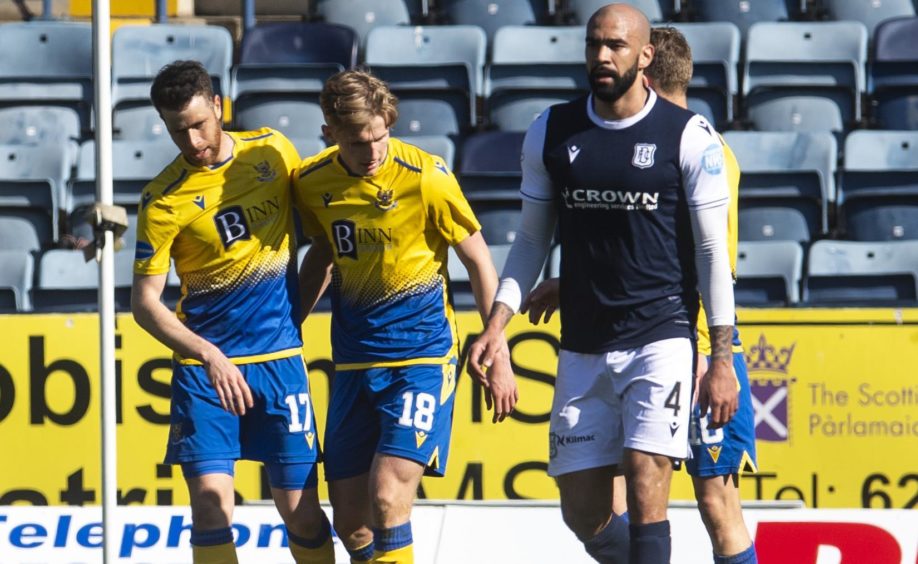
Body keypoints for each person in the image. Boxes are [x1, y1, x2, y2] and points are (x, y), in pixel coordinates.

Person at [468, 4, 739, 564]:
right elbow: (530, 241)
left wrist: (721, 358)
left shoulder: (688, 135)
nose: (602, 56)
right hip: (583, 343)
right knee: (582, 510)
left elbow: (713, 253)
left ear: (645, 56)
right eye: (594, 44)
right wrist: (497, 325)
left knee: (646, 480)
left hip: (660, 336)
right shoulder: (552, 129)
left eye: (616, 45)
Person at [294, 69, 518, 564]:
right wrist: (289, 325)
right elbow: (322, 256)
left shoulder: (427, 177)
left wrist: (498, 348)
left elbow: (479, 259)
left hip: (421, 357)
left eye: (380, 136)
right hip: (353, 364)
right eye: (357, 142)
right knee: (352, 524)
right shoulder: (312, 184)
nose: (372, 151)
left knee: (388, 495)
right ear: (330, 133)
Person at [131, 60, 333, 564]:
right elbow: (144, 303)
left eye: (199, 124)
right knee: (210, 510)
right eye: (179, 131)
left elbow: (322, 241)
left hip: (279, 364)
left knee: (302, 512)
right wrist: (208, 354)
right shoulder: (161, 201)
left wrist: (294, 316)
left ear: (218, 107)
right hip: (206, 373)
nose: (193, 141)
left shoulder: (272, 151)